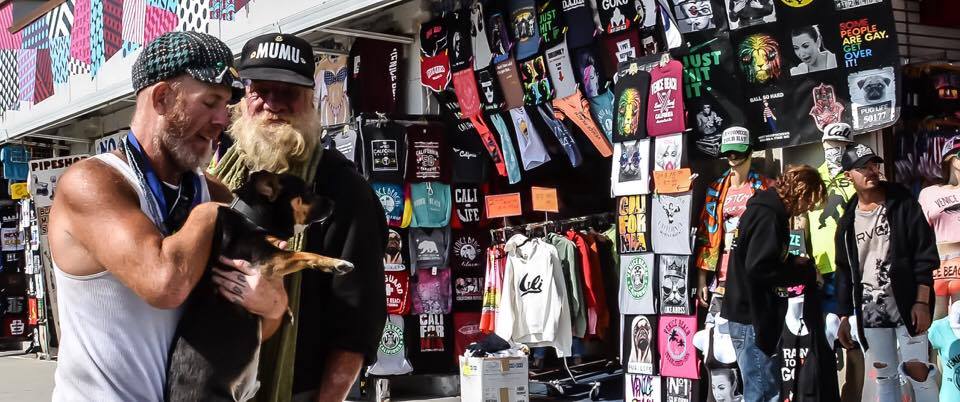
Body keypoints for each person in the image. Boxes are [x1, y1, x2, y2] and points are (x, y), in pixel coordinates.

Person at [48, 32, 287, 401]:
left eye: (226, 105)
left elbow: (249, 326)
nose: (221, 120)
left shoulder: (214, 191)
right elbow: (164, 284)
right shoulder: (92, 182)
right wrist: (210, 215)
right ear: (162, 98)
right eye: (210, 102)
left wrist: (271, 306)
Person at [211, 33, 388, 402]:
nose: (273, 103)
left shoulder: (342, 189)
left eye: (288, 92)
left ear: (310, 99)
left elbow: (356, 325)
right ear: (245, 97)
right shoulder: (220, 175)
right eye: (262, 90)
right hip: (212, 384)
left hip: (293, 389)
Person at [834, 144, 940, 402]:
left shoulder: (902, 203)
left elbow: (924, 254)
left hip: (908, 302)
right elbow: (844, 270)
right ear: (848, 175)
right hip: (871, 308)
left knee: (918, 372)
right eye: (863, 167)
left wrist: (922, 302)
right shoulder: (848, 220)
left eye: (874, 164)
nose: (872, 171)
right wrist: (844, 316)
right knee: (884, 376)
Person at [721, 165, 827, 402]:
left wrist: (792, 262)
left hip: (749, 313)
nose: (808, 208)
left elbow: (759, 258)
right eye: (809, 201)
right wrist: (799, 272)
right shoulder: (768, 215)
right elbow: (759, 267)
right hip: (752, 316)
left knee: (764, 388)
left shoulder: (765, 211)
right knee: (764, 392)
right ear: (800, 192)